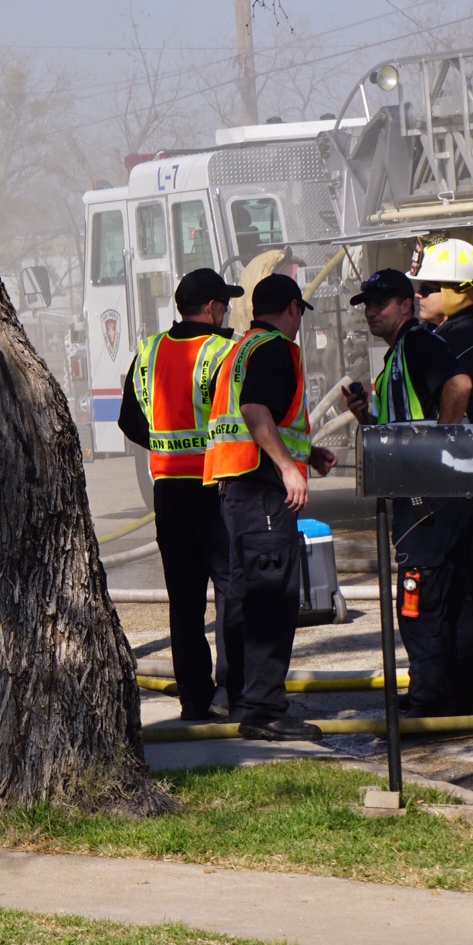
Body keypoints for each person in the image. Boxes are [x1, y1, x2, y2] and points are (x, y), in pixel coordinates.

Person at [346, 247, 473, 717]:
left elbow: (459, 388)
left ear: (405, 305)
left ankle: (432, 696)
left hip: (428, 495)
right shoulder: (400, 353)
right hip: (430, 490)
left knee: (421, 589)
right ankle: (463, 692)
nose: (373, 312)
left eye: (383, 303)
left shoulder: (418, 343)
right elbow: (404, 424)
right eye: (367, 306)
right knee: (456, 588)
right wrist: (365, 417)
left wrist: (438, 459)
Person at [203, 273, 339, 741]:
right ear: (294, 310)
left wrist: (306, 453)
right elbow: (256, 412)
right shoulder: (276, 348)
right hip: (263, 496)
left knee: (241, 598)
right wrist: (286, 466)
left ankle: (241, 696)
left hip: (236, 494)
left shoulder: (238, 350)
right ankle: (264, 710)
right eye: (300, 314)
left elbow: (258, 419)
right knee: (271, 601)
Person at [118, 268, 244, 721]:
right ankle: (233, 691)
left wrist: (164, 446)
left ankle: (194, 696)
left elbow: (128, 420)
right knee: (231, 589)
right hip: (215, 489)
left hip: (168, 492)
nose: (226, 312)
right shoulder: (222, 352)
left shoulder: (149, 352)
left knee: (184, 599)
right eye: (225, 304)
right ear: (211, 308)